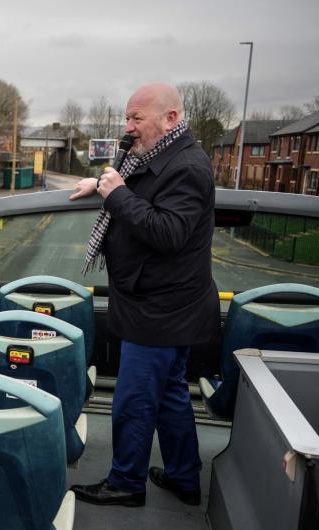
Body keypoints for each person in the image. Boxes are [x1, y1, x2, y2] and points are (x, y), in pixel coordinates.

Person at [68, 82, 219, 507]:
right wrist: (99, 182)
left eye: (137, 118)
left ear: (171, 119)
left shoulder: (188, 166)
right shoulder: (161, 154)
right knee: (172, 393)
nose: (128, 127)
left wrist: (115, 195)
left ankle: (127, 482)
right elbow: (140, 186)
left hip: (161, 309)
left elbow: (168, 232)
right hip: (166, 304)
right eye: (127, 117)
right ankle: (185, 478)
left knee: (133, 400)